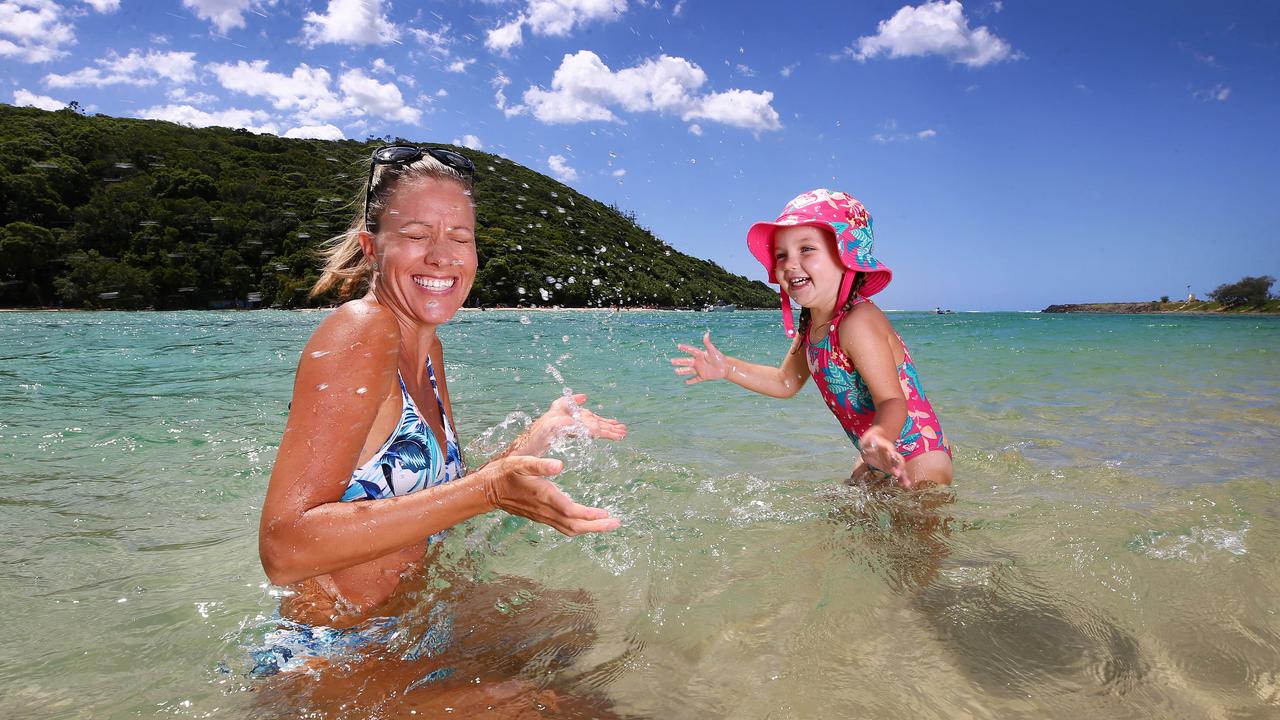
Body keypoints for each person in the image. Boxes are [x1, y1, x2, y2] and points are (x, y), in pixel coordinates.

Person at [258, 145, 626, 648]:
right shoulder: (361, 331)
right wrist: (489, 491)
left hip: (411, 631)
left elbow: (439, 501)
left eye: (460, 237)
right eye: (415, 235)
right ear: (371, 248)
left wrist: (538, 436)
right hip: (339, 658)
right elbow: (284, 549)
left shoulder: (428, 349)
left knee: (576, 622)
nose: (442, 255)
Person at [671, 189, 951, 488]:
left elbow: (893, 400)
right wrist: (727, 368)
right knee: (843, 521)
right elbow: (784, 382)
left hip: (920, 457)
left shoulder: (858, 322)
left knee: (919, 532)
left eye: (806, 249)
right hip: (876, 453)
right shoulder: (812, 326)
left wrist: (879, 436)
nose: (790, 263)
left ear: (846, 258)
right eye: (781, 254)